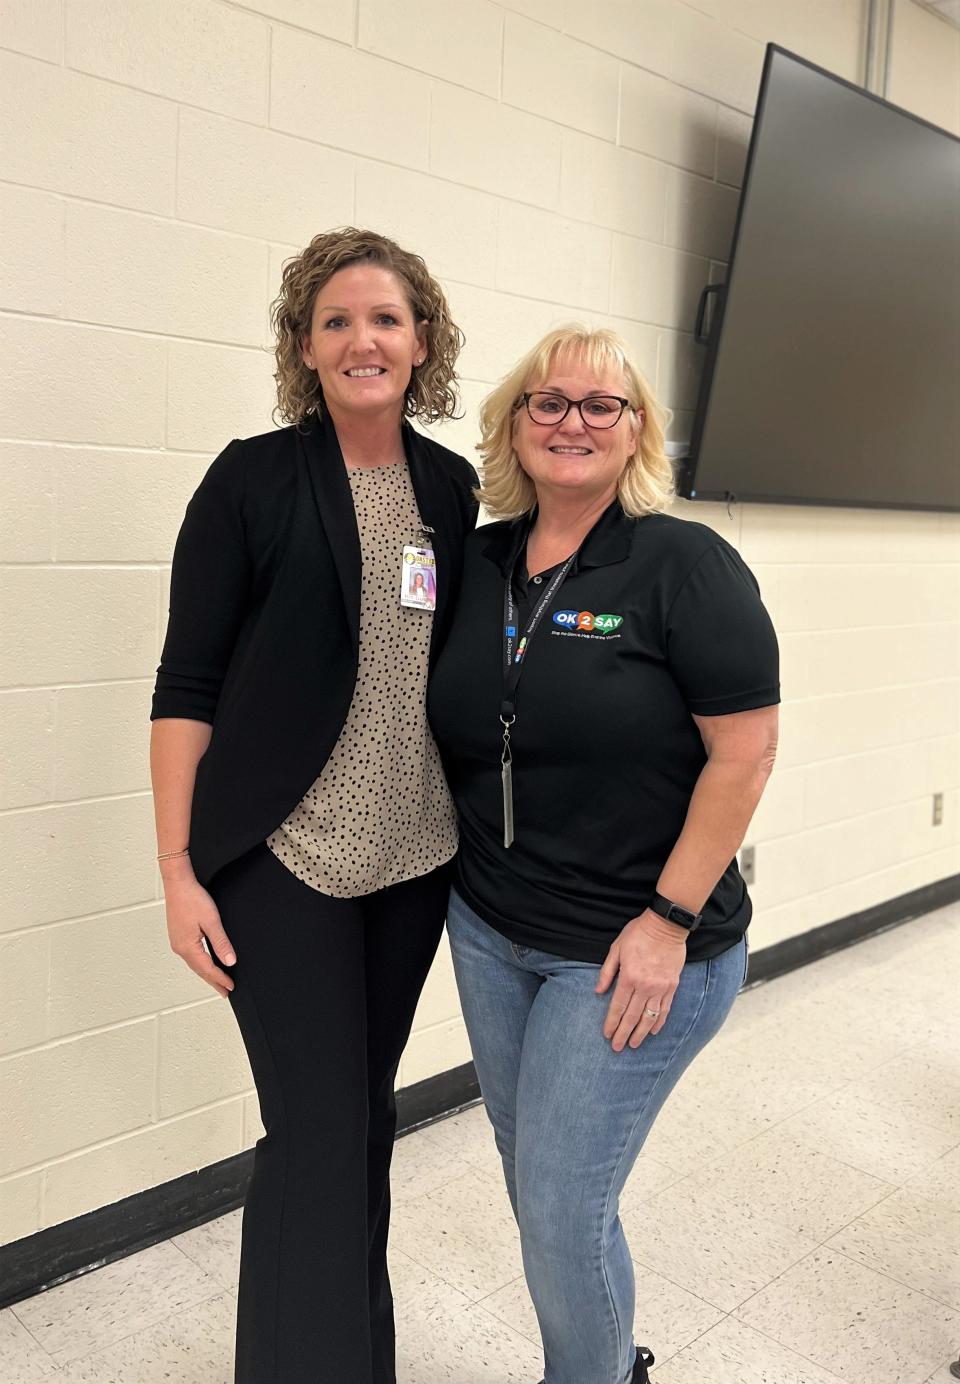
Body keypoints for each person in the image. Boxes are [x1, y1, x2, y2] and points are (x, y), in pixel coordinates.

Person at [150, 227, 477, 1384]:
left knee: (362, 1126)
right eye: (334, 321)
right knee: (319, 1132)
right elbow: (187, 683)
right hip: (282, 862)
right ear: (304, 346)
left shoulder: (450, 485)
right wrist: (179, 867)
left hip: (410, 862)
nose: (361, 339)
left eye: (384, 317)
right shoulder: (252, 477)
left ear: (420, 338)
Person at [428, 326, 780, 1384]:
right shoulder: (479, 559)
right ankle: (609, 1361)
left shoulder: (685, 563)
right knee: (533, 1174)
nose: (572, 422)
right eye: (549, 402)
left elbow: (747, 751)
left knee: (557, 1200)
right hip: (493, 926)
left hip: (633, 945)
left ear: (636, 435)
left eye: (601, 405)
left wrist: (667, 921)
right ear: (512, 423)